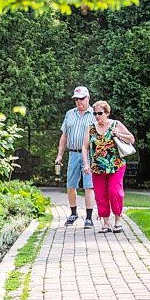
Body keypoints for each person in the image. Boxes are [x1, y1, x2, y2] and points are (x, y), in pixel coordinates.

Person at [81, 100, 135, 233]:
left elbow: (131, 139)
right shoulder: (91, 128)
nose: (97, 116)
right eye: (95, 113)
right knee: (100, 195)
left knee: (114, 192)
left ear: (107, 113)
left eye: (100, 113)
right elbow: (85, 147)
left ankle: (118, 220)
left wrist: (119, 134)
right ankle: (106, 223)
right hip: (97, 167)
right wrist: (86, 164)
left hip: (115, 166)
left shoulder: (116, 124)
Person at [55, 86, 96, 228]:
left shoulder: (94, 114)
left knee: (89, 186)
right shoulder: (69, 114)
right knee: (71, 185)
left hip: (89, 155)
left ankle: (89, 218)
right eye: (76, 99)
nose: (79, 102)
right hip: (73, 153)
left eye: (81, 99)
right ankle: (73, 213)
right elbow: (64, 135)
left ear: (88, 98)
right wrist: (59, 155)